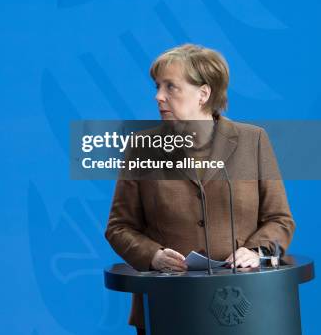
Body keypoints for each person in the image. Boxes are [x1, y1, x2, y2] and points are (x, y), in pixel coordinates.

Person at [105, 44, 295, 334]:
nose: (158, 97)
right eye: (158, 87)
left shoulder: (252, 141)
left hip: (247, 308)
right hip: (167, 306)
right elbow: (119, 227)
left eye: (171, 87)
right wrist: (153, 256)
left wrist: (256, 250)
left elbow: (279, 219)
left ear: (203, 94)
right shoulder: (141, 147)